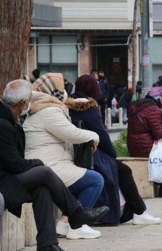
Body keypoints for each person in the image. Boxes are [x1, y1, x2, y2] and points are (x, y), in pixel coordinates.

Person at [0, 79, 109, 251]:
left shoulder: (9, 118)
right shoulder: (3, 124)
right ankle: (76, 213)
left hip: (9, 176)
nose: (30, 102)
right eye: (28, 99)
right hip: (5, 180)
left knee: (41, 189)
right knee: (44, 172)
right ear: (21, 103)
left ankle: (48, 245)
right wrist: (38, 162)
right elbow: (13, 164)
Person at [67, 75, 162, 225]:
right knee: (123, 170)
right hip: (90, 155)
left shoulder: (69, 106)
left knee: (121, 171)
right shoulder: (88, 108)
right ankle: (139, 211)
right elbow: (102, 135)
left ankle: (138, 211)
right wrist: (112, 155)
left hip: (76, 153)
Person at [23, 73, 105, 239]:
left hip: (49, 163)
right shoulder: (48, 111)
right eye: (62, 88)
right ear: (54, 90)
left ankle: (65, 223)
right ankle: (76, 225)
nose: (66, 91)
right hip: (49, 165)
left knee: (87, 178)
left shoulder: (40, 107)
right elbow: (71, 133)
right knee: (95, 180)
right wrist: (94, 136)